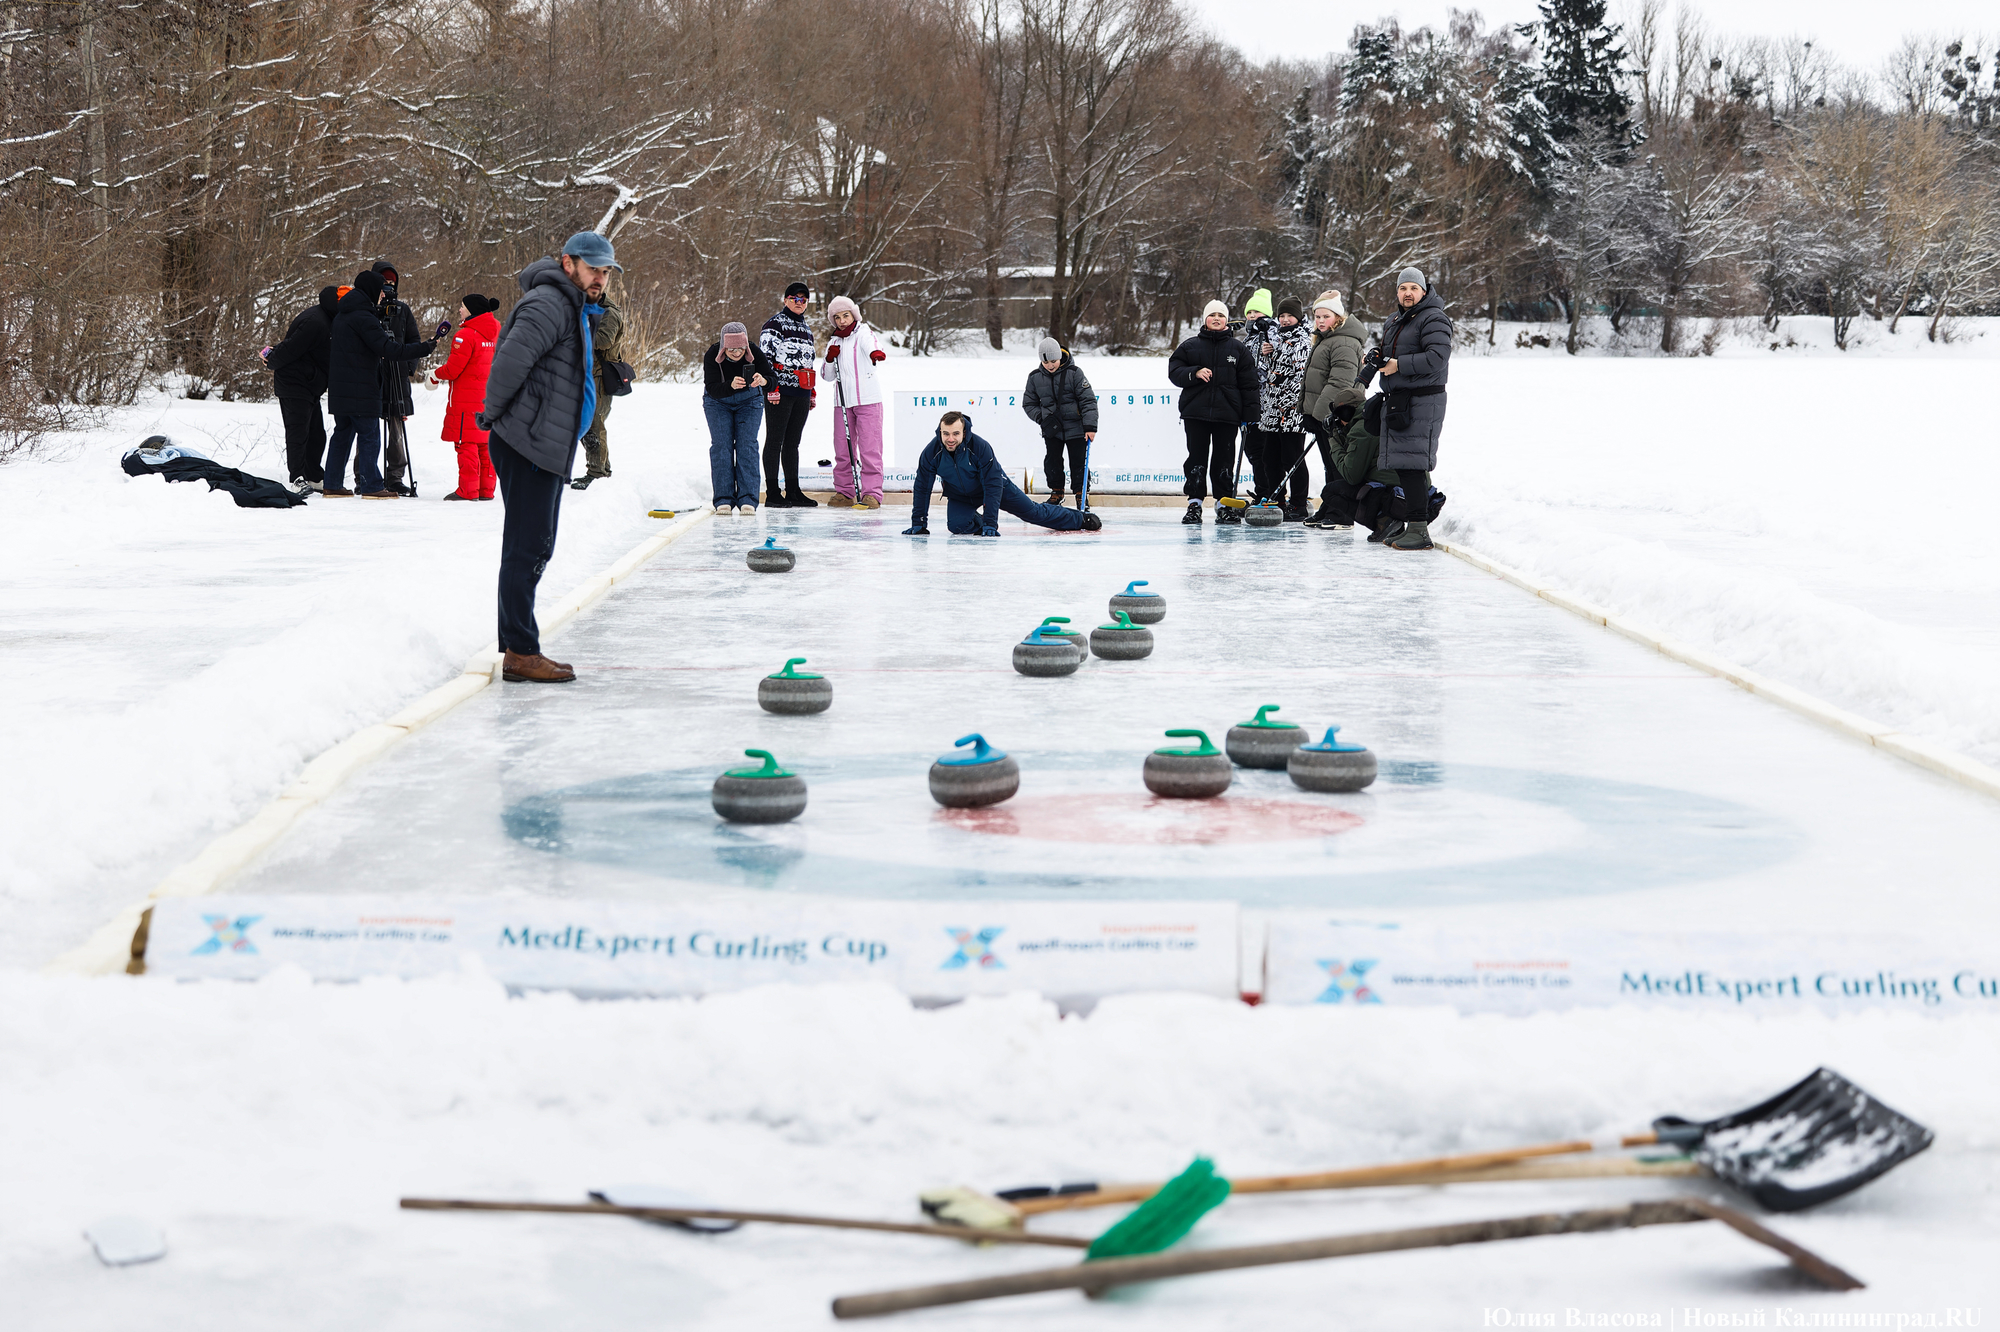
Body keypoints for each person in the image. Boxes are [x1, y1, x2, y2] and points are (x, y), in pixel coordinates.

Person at [476, 231, 618, 683]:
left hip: (543, 440)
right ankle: (520, 651)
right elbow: (507, 366)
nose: (600, 278)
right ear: (568, 263)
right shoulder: (548, 304)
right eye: (593, 268)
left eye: (606, 271)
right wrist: (494, 418)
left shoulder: (572, 304)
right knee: (528, 547)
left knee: (532, 545)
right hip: (528, 440)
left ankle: (520, 646)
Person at [323, 270, 440, 498]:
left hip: (341, 388)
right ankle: (372, 486)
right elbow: (389, 349)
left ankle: (332, 484)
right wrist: (424, 348)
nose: (382, 296)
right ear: (370, 291)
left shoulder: (343, 314)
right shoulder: (364, 318)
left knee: (342, 435)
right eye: (379, 291)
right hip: (361, 388)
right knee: (369, 437)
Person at [902, 411, 1099, 536]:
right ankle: (977, 522)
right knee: (957, 526)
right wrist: (918, 523)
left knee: (1033, 512)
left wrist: (990, 523)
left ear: (964, 432)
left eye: (955, 433)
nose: (950, 439)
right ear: (940, 432)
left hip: (997, 487)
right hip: (961, 495)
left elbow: (992, 486)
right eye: (945, 434)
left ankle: (1080, 519)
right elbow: (922, 486)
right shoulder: (932, 452)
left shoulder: (979, 447)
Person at [1375, 267, 1452, 551]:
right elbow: (1393, 351)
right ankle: (1413, 525)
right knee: (1404, 465)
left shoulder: (1434, 317)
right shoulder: (1395, 319)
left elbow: (1437, 357)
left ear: (1423, 291)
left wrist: (1399, 365)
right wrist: (1377, 356)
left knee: (1414, 464)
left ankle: (1419, 529)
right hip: (1400, 398)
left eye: (1413, 288)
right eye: (1403, 288)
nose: (1408, 293)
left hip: (1424, 399)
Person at [1167, 299, 1260, 525]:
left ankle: (1224, 504)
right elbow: (1174, 371)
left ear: (1227, 320)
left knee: (1223, 461)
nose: (1216, 318)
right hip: (1195, 413)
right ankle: (1194, 504)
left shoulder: (1239, 350)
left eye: (1221, 315)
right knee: (1196, 460)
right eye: (1212, 315)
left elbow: (1249, 385)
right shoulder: (1190, 346)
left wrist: (1249, 417)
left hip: (1227, 415)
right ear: (1205, 319)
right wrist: (1194, 372)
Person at [1300, 291, 1367, 529]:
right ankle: (1330, 506)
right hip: (1327, 414)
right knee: (1330, 464)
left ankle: (1342, 513)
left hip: (1337, 415)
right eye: (1317, 316)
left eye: (1325, 316)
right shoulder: (1327, 339)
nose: (1319, 321)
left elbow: (1340, 383)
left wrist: (1320, 416)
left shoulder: (1344, 342)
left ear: (1338, 317)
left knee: (1338, 465)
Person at [262, 285, 338, 492]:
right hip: (293, 383)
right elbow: (291, 347)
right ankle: (297, 478)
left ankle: (313, 475)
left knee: (316, 433)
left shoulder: (328, 318)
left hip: (309, 384)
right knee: (298, 432)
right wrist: (271, 359)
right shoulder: (316, 321)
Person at [430, 293, 502, 501]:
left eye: (462, 307)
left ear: (472, 310)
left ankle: (468, 490)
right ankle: (486, 490)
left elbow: (453, 370)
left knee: (467, 444)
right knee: (484, 444)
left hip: (465, 400)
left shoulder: (465, 336)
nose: (460, 310)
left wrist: (436, 373)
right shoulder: (497, 334)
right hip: (489, 398)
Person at [817, 295, 885, 508]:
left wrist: (875, 352)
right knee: (843, 449)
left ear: (853, 315)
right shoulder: (834, 341)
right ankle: (845, 492)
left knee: (869, 448)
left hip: (868, 400)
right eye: (837, 317)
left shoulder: (863, 332)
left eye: (845, 315)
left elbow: (871, 343)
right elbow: (827, 376)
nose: (842, 321)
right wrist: (829, 358)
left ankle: (871, 493)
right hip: (843, 403)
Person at [1250, 295, 1313, 519]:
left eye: (1290, 315)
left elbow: (1299, 378)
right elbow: (1267, 376)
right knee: (1270, 458)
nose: (1285, 320)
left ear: (1299, 317)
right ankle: (1277, 500)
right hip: (1272, 411)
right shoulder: (1276, 339)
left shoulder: (1302, 341)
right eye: (1282, 316)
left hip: (1291, 413)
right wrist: (1267, 356)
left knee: (1293, 458)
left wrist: (1287, 401)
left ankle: (1299, 503)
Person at [703, 321, 775, 514]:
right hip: (718, 402)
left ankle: (748, 499)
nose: (737, 353)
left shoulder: (754, 351)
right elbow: (711, 388)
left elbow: (772, 378)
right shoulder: (712, 354)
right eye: (732, 349)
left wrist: (764, 380)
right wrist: (730, 386)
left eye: (741, 349)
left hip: (750, 402)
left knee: (747, 446)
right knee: (721, 447)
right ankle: (723, 499)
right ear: (724, 347)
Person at [759, 282, 818, 508]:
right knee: (775, 441)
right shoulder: (774, 325)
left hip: (801, 392)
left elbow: (809, 361)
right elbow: (764, 360)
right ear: (785, 300)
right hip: (780, 390)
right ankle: (773, 492)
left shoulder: (806, 329)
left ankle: (793, 490)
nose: (798, 303)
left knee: (793, 443)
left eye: (803, 299)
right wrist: (771, 388)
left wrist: (811, 391)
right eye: (794, 298)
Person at [369, 260, 425, 495]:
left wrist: (407, 366)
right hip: (373, 376)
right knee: (369, 428)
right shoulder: (367, 308)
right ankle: (366, 474)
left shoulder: (403, 310)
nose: (389, 287)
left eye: (392, 282)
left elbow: (415, 340)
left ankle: (395, 477)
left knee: (396, 431)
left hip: (397, 376)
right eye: (384, 282)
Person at [1021, 337, 1098, 508]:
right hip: (1052, 429)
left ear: (1060, 357)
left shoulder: (1074, 373)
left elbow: (1088, 401)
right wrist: (1042, 418)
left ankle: (1080, 493)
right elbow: (1028, 404)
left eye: (1053, 361)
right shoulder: (1034, 378)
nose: (1050, 365)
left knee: (1078, 462)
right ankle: (1057, 491)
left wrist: (1090, 427)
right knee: (1052, 461)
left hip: (1076, 428)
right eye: (1046, 361)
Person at [574, 294, 625, 490]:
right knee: (586, 423)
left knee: (594, 422)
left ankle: (597, 473)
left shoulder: (610, 313)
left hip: (600, 376)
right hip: (587, 373)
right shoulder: (590, 311)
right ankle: (602, 469)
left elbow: (604, 340)